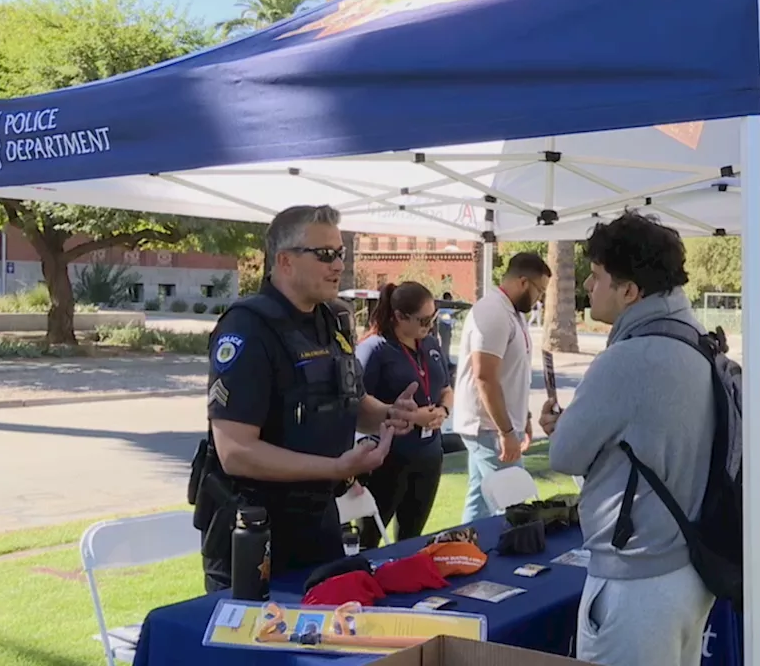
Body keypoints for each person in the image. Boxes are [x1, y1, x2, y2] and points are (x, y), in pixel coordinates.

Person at [193, 205, 420, 592]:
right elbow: (235, 451)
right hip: (254, 532)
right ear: (285, 261)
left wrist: (389, 414)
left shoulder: (329, 321)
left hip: (318, 523)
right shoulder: (248, 329)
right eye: (325, 255)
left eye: (340, 253)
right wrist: (333, 468)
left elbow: (352, 402)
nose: (337, 266)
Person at [538, 211, 716, 666]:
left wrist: (565, 427)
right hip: (688, 567)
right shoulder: (697, 340)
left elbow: (564, 455)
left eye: (597, 277)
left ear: (630, 291)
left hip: (636, 579)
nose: (587, 287)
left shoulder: (629, 358)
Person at [354, 282, 454, 548]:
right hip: (388, 458)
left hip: (429, 454)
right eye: (423, 320)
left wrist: (442, 410)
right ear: (399, 316)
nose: (430, 325)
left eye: (433, 317)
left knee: (413, 538)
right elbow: (358, 403)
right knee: (370, 538)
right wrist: (410, 416)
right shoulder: (375, 349)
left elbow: (446, 388)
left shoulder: (430, 343)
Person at [453, 252, 550, 522]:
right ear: (522, 282)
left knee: (479, 503)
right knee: (513, 502)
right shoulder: (493, 311)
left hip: (496, 426)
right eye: (539, 290)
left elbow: (511, 374)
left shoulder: (510, 312)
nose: (540, 298)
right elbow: (484, 376)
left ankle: (463, 553)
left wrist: (524, 418)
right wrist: (506, 431)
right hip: (488, 427)